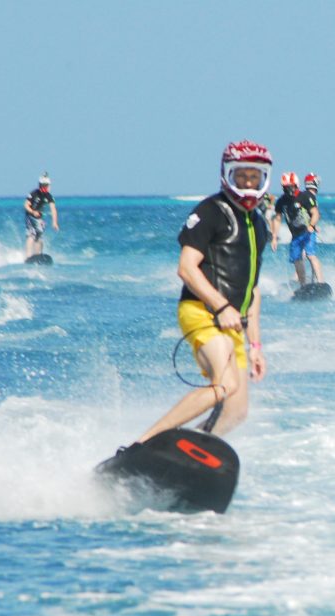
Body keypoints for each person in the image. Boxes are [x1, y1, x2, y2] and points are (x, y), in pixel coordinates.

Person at [136, 140, 273, 444]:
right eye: (241, 175)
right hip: (201, 311)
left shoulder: (259, 225)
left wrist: (256, 346)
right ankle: (142, 444)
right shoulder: (210, 211)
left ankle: (181, 451)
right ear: (228, 174)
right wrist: (221, 307)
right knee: (224, 385)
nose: (247, 183)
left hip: (233, 325)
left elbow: (252, 291)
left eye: (254, 177)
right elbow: (186, 268)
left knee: (236, 412)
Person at [271, 172, 323, 286]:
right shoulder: (281, 202)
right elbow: (277, 219)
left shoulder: (305, 196)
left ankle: (320, 282)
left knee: (310, 255)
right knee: (297, 260)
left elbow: (315, 213)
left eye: (291, 187)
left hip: (308, 232)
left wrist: (311, 226)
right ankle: (303, 285)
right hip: (295, 235)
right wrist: (274, 237)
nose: (289, 189)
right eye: (286, 187)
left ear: (296, 185)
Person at [23, 172, 59, 258]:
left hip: (39, 218)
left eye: (47, 186)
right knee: (31, 235)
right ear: (40, 185)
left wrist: (54, 222)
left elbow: (53, 209)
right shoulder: (34, 193)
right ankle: (28, 256)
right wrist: (32, 212)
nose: (45, 188)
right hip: (30, 216)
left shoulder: (49, 196)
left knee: (39, 236)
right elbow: (26, 205)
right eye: (43, 185)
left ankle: (38, 255)